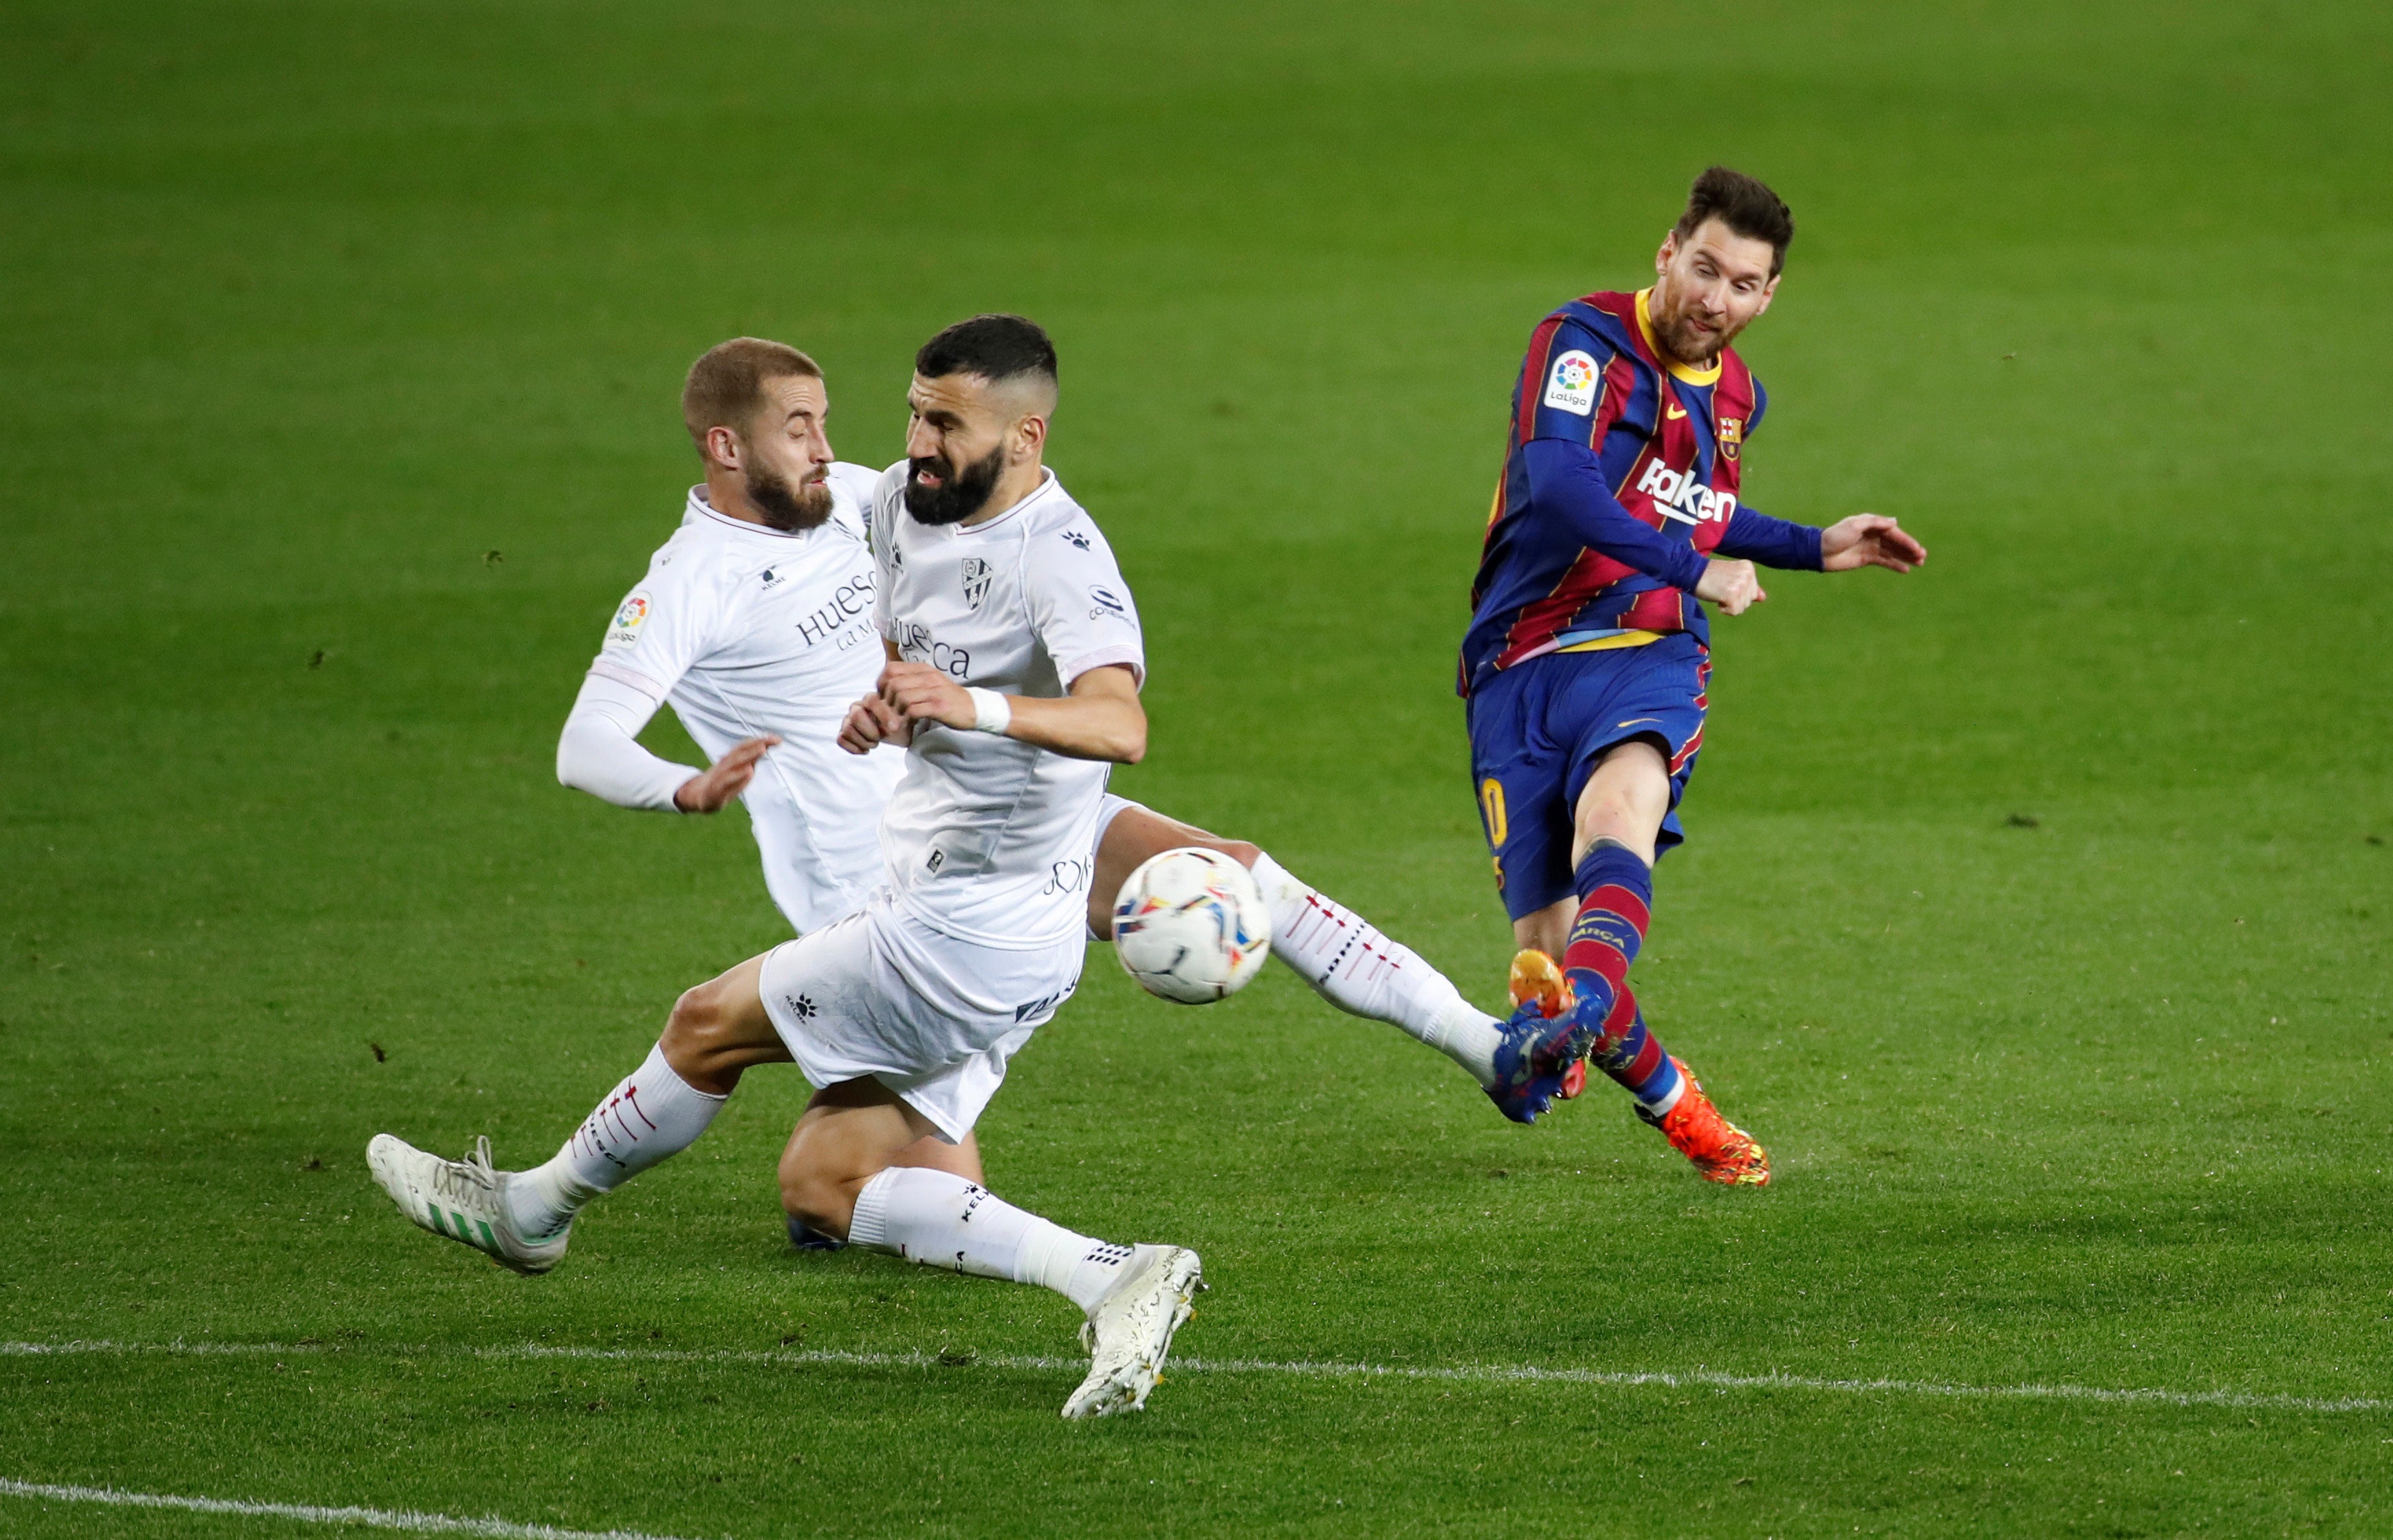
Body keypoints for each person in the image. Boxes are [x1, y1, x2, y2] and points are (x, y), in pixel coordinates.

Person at [373, 316, 1206, 1418]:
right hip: (1013, 924)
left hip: (962, 928)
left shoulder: (1057, 550)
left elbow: (1121, 724)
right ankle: (1106, 1275)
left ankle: (534, 1213)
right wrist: (907, 712)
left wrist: (967, 706)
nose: (901, 440)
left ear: (1024, 435)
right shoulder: (905, 512)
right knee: (832, 1183)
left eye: (939, 420)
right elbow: (938, 657)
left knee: (704, 1026)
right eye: (908, 410)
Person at [556, 341, 1583, 1139]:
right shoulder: (692, 582)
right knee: (836, 1189)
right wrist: (684, 788)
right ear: (728, 447)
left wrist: (921, 688)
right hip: (886, 888)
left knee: (1235, 873)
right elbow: (588, 744)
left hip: (998, 817)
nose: (830, 447)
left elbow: (924, 597)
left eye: (827, 423)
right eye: (798, 429)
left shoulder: (858, 504)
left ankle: (1489, 1050)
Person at [1461, 167, 1927, 1185]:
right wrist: (1703, 567)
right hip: (1517, 659)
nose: (1718, 299)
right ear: (1668, 252)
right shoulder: (1579, 342)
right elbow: (1566, 486)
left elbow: (1694, 513)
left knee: (1618, 821)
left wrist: (1813, 544)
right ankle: (1673, 1093)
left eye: (1745, 285)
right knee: (1550, 966)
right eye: (1706, 268)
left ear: (1768, 299)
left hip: (1647, 649)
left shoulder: (1738, 400)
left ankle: (1654, 1091)